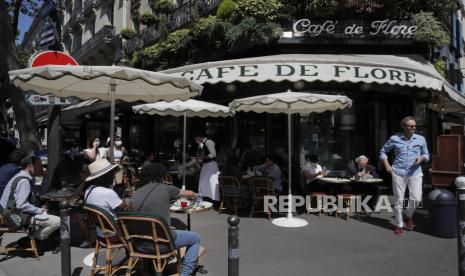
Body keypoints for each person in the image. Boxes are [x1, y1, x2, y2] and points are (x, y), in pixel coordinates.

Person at [131, 163, 203, 276]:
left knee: (162, 229)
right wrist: (195, 195)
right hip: (161, 244)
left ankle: (152, 268)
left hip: (139, 244)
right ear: (161, 175)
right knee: (195, 238)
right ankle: (185, 273)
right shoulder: (165, 188)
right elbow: (189, 193)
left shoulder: (135, 193)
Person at [380, 116, 429, 236]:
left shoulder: (421, 139)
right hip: (398, 172)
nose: (414, 128)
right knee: (398, 201)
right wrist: (387, 165)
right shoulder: (395, 138)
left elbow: (427, 154)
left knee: (417, 198)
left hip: (415, 172)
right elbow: (383, 151)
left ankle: (408, 215)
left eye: (415, 125)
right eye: (411, 126)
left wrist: (421, 158)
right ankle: (399, 225)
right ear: (404, 127)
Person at [0, 156, 60, 241]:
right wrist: (40, 210)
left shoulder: (21, 176)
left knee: (46, 209)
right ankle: (34, 238)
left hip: (10, 212)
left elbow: (39, 191)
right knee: (58, 221)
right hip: (17, 216)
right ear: (30, 167)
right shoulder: (24, 181)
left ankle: (34, 238)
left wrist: (44, 178)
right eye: (39, 166)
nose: (41, 168)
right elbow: (21, 205)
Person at [195, 134, 220, 202]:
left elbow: (213, 154)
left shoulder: (209, 142)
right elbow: (202, 153)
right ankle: (205, 197)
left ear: (199, 137)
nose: (196, 141)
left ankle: (214, 199)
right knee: (203, 181)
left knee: (212, 182)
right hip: (206, 165)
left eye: (196, 139)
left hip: (211, 165)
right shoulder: (202, 144)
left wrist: (204, 158)